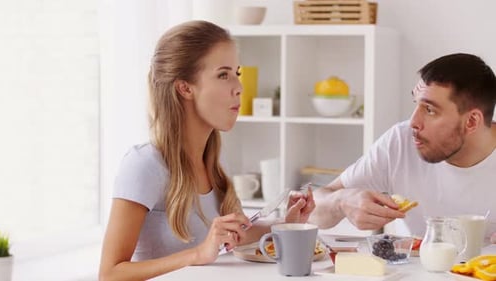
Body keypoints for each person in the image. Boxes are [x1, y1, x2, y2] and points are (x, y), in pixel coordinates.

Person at [98, 20, 315, 281]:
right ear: (185, 88)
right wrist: (197, 254)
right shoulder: (145, 164)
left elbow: (236, 233)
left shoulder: (209, 162)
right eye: (223, 75)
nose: (239, 88)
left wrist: (286, 222)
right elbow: (110, 274)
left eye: (237, 73)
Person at [309, 53, 496, 240]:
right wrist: (341, 201)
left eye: (430, 110)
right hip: (414, 268)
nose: (413, 122)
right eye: (416, 104)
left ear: (471, 121)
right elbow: (312, 210)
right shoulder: (401, 141)